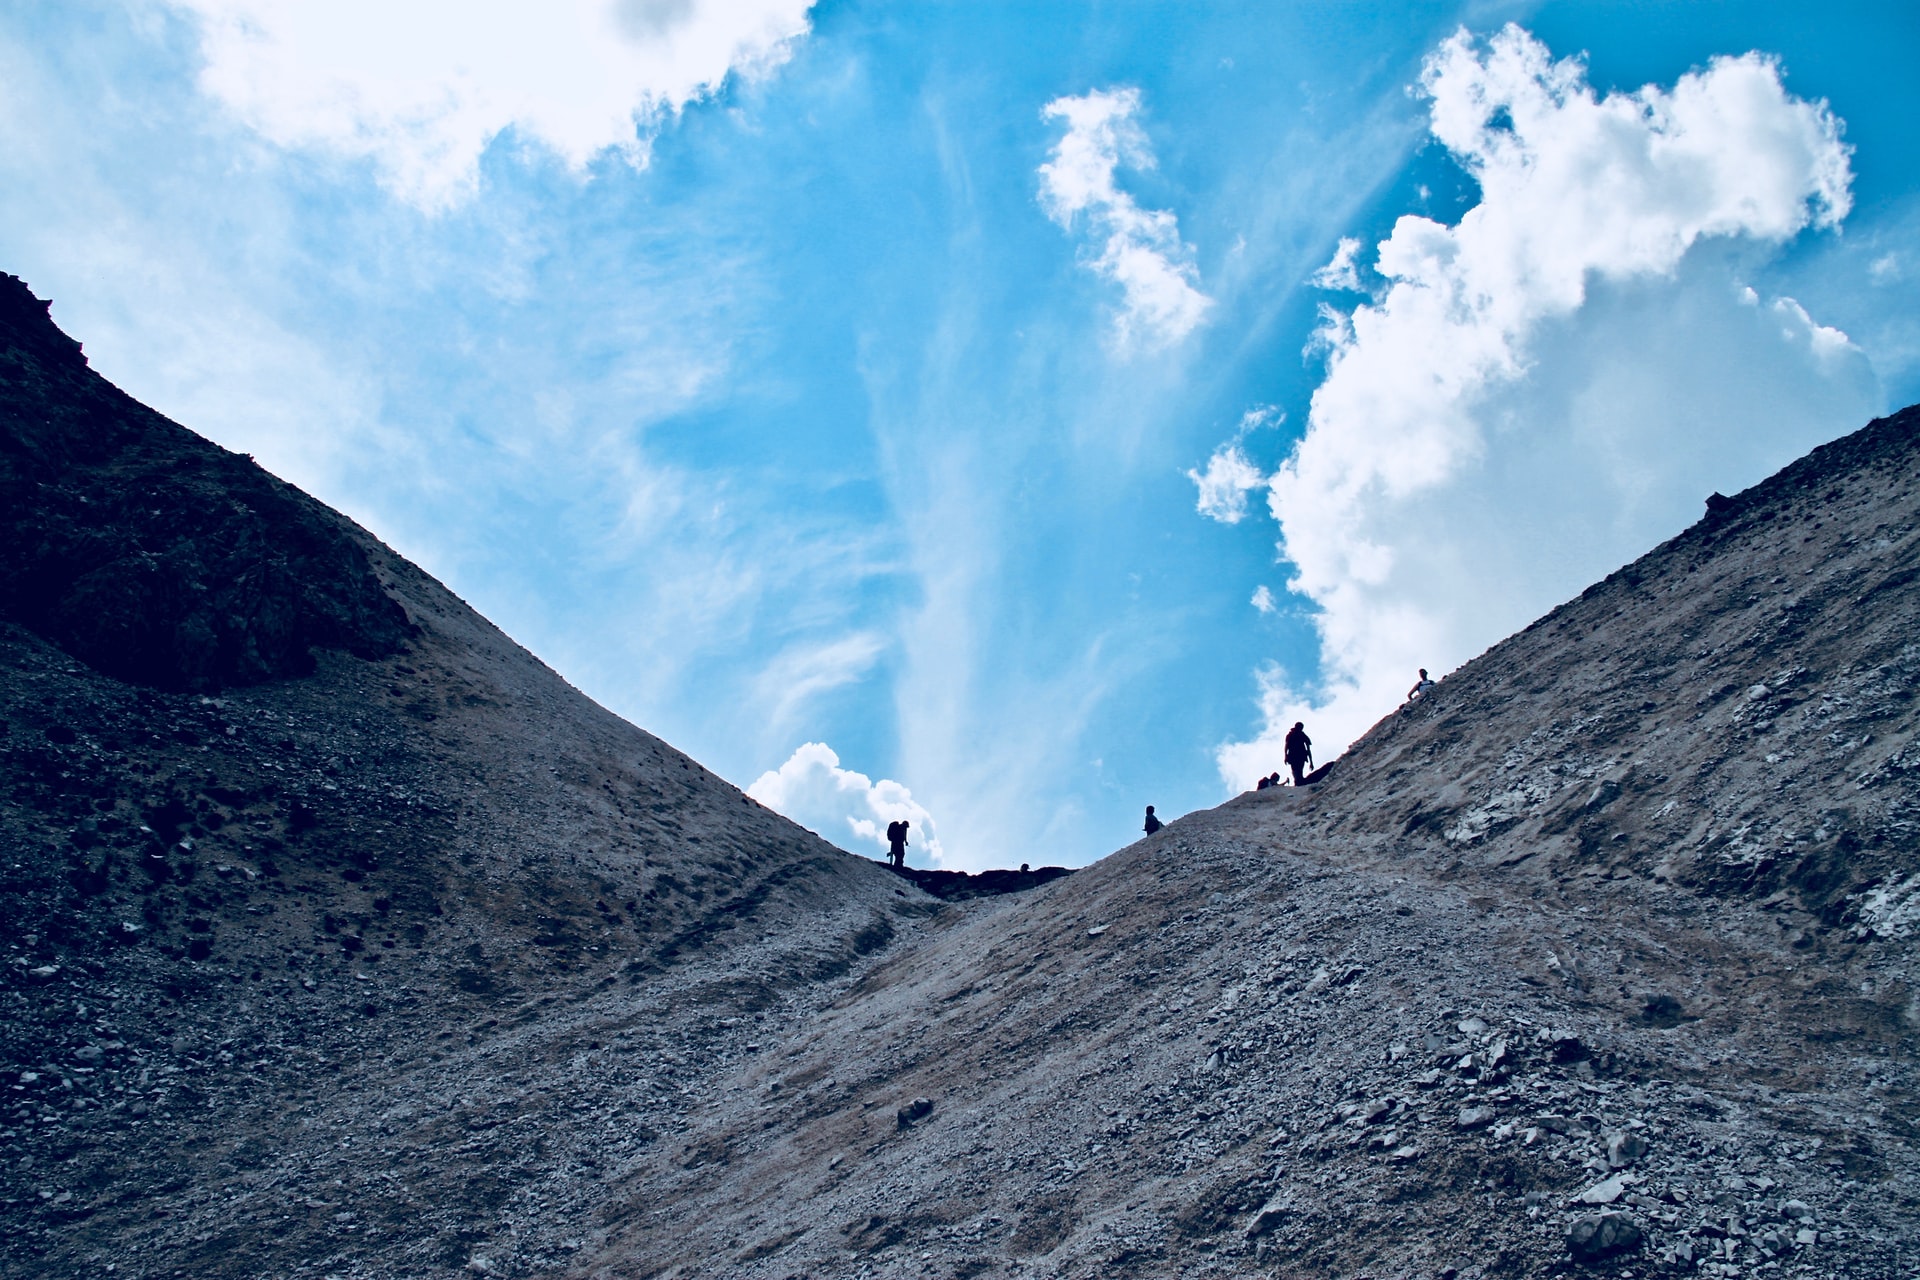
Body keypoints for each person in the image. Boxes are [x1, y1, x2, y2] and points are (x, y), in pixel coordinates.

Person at [1283, 722, 1313, 786]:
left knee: (1298, 770)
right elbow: (1286, 746)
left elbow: (1308, 749)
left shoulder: (1301, 735)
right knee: (1296, 770)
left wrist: (1311, 762)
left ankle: (1298, 782)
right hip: (1295, 755)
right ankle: (1298, 782)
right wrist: (1285, 756)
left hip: (1298, 755)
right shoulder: (1293, 735)